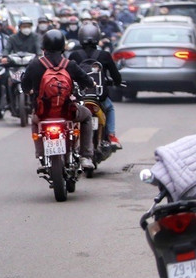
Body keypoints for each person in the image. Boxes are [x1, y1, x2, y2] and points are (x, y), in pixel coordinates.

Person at [21, 30, 96, 171]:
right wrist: (92, 84)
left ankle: (41, 155)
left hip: (43, 114)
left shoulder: (35, 65)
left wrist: (30, 91)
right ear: (63, 47)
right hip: (67, 112)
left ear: (43, 47)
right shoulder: (70, 65)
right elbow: (86, 80)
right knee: (87, 116)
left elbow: (25, 86)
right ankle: (86, 156)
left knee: (34, 121)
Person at [68, 24, 123, 148]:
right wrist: (117, 82)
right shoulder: (104, 55)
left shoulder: (74, 55)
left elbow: (68, 75)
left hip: (80, 96)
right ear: (97, 38)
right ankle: (111, 135)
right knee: (109, 108)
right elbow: (116, 76)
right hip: (99, 97)